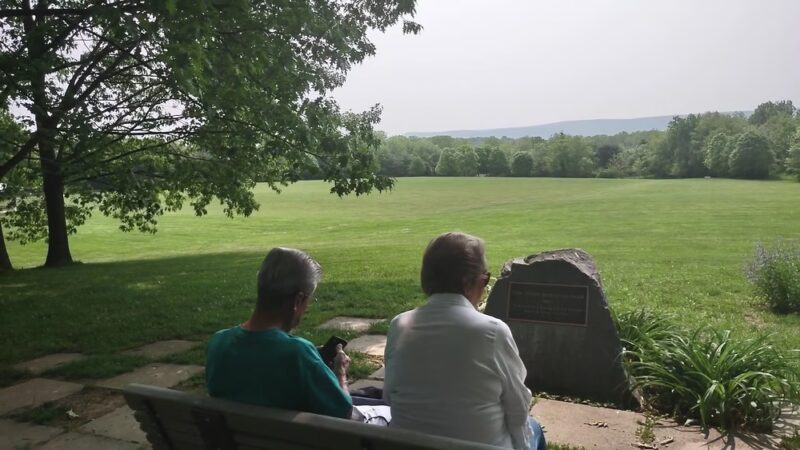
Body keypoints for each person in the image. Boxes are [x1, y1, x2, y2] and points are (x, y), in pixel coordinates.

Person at [383, 232, 547, 450]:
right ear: (471, 282)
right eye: (485, 278)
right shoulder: (492, 332)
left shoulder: (399, 325)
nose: (485, 286)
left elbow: (389, 396)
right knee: (534, 429)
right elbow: (517, 407)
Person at [206, 247, 353, 418]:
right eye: (308, 300)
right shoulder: (298, 353)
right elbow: (344, 413)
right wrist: (340, 372)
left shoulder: (218, 342)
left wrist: (312, 358)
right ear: (297, 301)